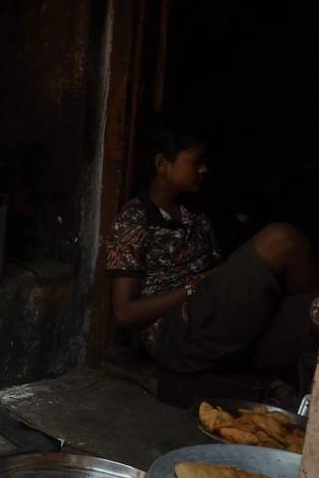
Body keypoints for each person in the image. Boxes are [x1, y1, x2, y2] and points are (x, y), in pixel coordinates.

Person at [106, 121, 319, 374]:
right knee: (280, 239)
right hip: (175, 335)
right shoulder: (134, 220)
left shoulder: (194, 214)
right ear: (162, 164)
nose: (204, 169)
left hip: (213, 322)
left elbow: (219, 280)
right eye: (195, 162)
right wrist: (192, 288)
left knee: (313, 311)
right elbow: (124, 313)